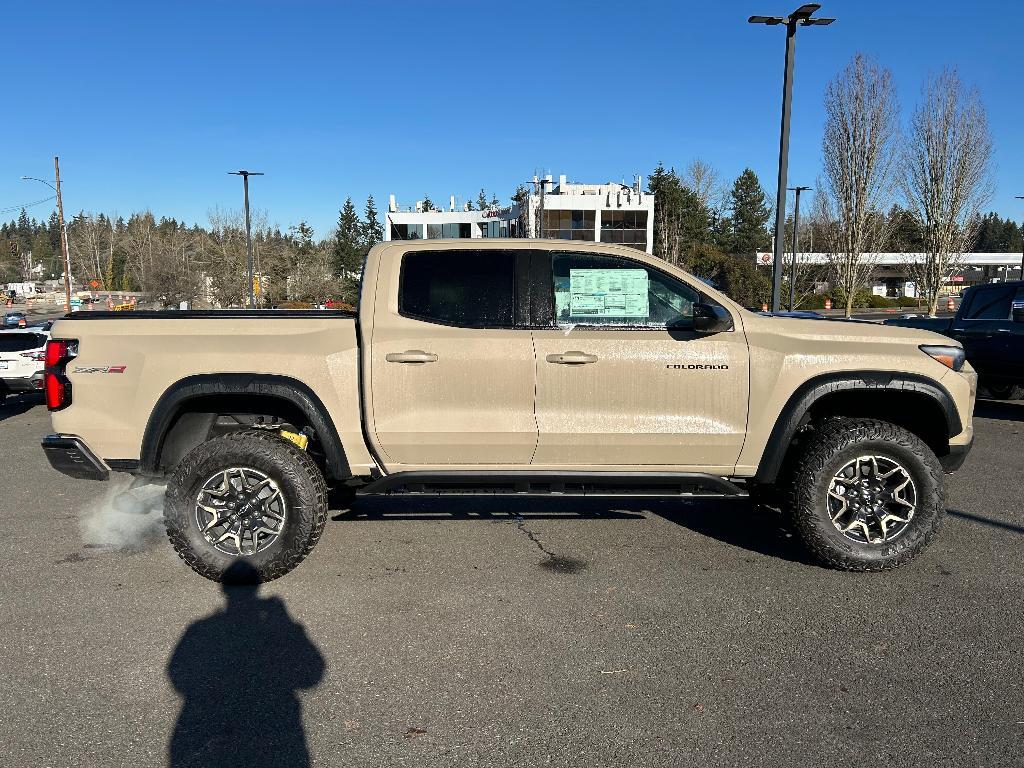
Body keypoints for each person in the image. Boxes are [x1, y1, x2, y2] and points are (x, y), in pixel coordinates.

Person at [167, 562, 325, 767]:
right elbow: (312, 674)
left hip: (211, 723)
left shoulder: (200, 629)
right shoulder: (276, 627)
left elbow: (178, 675)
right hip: (273, 727)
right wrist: (284, 622)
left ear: (224, 589)